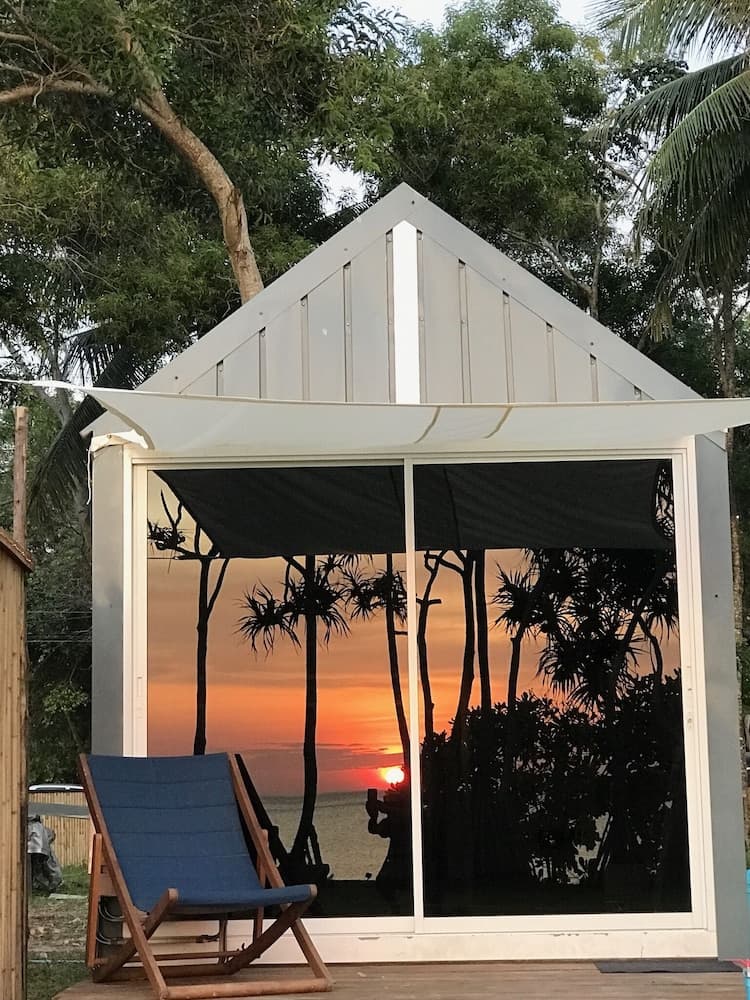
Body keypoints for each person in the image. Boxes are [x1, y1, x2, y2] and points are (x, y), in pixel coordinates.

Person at [365, 778, 411, 912]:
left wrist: (383, 808)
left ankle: (400, 908)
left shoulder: (405, 817)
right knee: (384, 883)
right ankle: (396, 908)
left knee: (389, 882)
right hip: (395, 858)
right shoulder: (393, 820)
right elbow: (375, 829)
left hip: (403, 858)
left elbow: (401, 815)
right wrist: (373, 815)